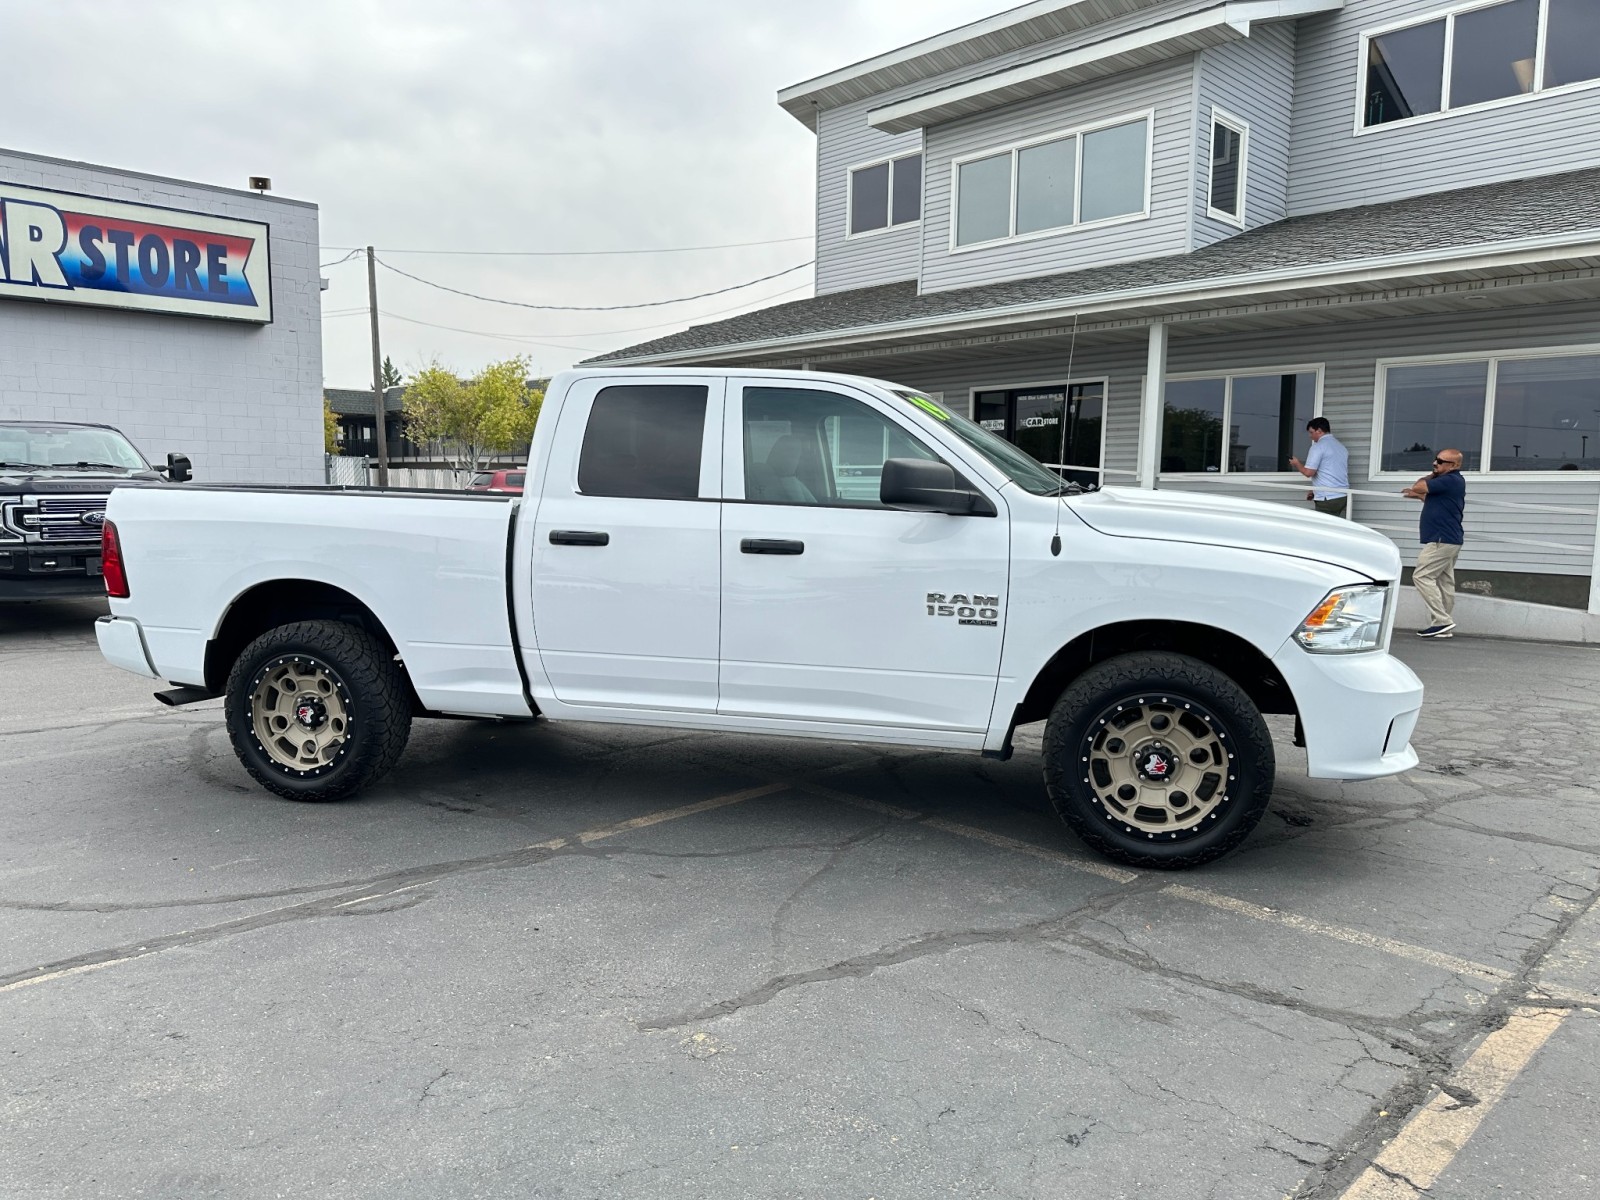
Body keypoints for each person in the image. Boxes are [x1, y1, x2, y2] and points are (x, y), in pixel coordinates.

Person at [1402, 449, 1466, 638]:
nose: (1435, 464)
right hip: (1450, 539)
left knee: (1421, 576)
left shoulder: (1449, 480)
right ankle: (1442, 626)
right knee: (1445, 581)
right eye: (1435, 460)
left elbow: (1419, 485)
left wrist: (1430, 477)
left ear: (1453, 465)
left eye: (1440, 461)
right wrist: (1419, 495)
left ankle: (1443, 621)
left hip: (1441, 539)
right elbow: (1434, 499)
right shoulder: (1451, 482)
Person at [1289, 417, 1349, 517]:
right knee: (1335, 526)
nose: (1310, 436)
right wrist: (1314, 490)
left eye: (1311, 432)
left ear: (1319, 431)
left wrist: (1296, 464)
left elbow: (1309, 473)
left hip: (1327, 498)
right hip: (1342, 496)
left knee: (1324, 528)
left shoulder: (1318, 446)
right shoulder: (1341, 447)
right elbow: (1330, 471)